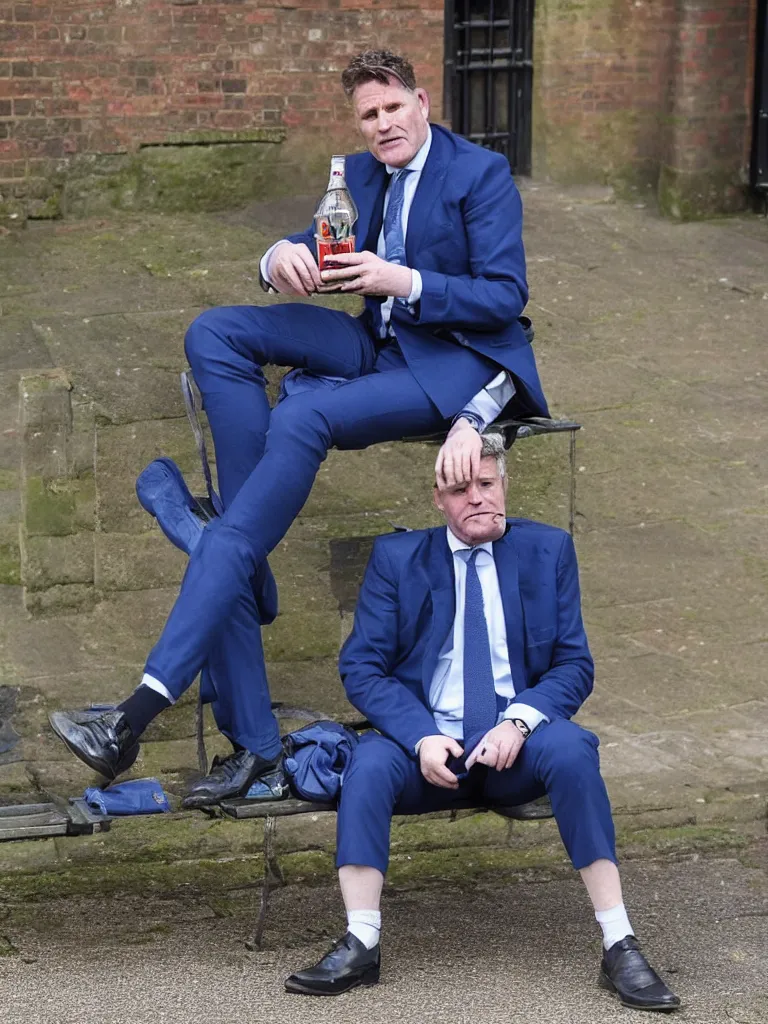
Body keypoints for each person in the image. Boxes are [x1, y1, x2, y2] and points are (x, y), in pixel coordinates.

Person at [48, 49, 549, 808]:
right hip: (374, 344)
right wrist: (278, 254)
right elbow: (314, 239)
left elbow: (506, 295)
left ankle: (137, 710)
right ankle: (245, 545)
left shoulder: (479, 174)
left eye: (391, 109)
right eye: (368, 116)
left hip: (448, 365)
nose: (382, 126)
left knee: (302, 414)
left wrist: (400, 280)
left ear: (421, 101)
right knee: (216, 332)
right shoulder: (358, 170)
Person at [284, 433, 681, 1013]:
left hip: (513, 750)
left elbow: (574, 665)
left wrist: (518, 723)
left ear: (504, 485)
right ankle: (361, 942)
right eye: (459, 489)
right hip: (426, 749)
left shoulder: (549, 551)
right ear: (438, 500)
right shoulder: (398, 560)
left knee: (572, 749)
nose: (476, 499)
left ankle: (619, 942)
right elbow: (362, 667)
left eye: (486, 485)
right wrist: (421, 736)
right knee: (367, 763)